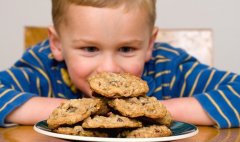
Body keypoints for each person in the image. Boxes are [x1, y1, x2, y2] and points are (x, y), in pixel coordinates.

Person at [0, 0, 239, 128]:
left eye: (126, 49)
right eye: (90, 49)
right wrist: (73, 112)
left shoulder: (170, 68)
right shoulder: (43, 68)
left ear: (149, 45)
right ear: (57, 44)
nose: (109, 69)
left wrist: (154, 113)